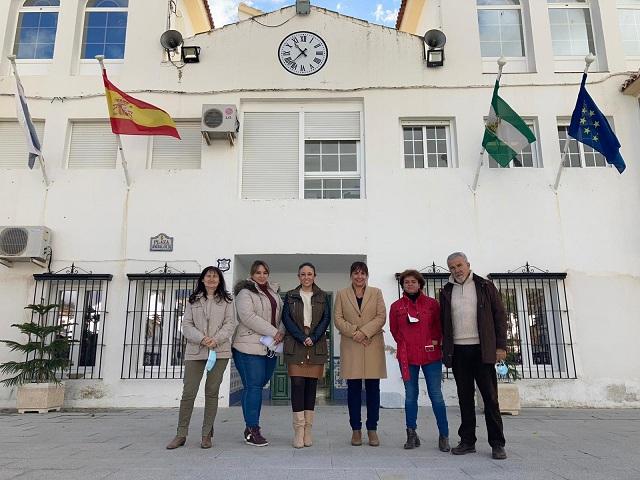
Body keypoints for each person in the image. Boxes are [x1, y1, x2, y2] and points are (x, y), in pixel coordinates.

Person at [440, 252, 508, 460]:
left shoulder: (484, 286)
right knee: (464, 399)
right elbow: (444, 322)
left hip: (482, 349)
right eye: (452, 267)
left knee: (490, 398)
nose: (456, 270)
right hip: (459, 351)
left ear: (468, 264)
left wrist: (500, 346)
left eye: (459, 265)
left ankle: (497, 444)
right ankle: (468, 441)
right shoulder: (446, 291)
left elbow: (500, 316)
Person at [166, 266, 236, 450]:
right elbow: (186, 325)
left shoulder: (227, 301)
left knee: (212, 392)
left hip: (218, 352)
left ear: (220, 280)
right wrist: (202, 338)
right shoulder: (193, 300)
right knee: (188, 392)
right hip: (195, 351)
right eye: (208, 276)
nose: (212, 279)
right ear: (203, 280)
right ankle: (181, 434)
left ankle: (206, 434)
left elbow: (230, 324)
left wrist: (216, 339)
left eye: (215, 276)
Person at [390, 269, 450, 452]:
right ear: (402, 285)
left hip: (431, 356)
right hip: (408, 357)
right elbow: (394, 330)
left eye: (413, 282)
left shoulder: (432, 304)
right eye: (406, 282)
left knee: (436, 395)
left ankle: (444, 434)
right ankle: (411, 433)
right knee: (410, 395)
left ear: (420, 284)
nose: (410, 284)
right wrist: (404, 344)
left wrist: (433, 340)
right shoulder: (396, 306)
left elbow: (439, 326)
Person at [334, 261, 387, 447]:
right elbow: (338, 319)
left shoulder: (377, 292)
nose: (359, 277)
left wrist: (364, 332)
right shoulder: (342, 294)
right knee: (353, 390)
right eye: (356, 273)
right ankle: (356, 430)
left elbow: (381, 316)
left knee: (373, 390)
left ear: (367, 276)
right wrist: (355, 332)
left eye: (362, 273)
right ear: (351, 275)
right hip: (351, 346)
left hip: (372, 344)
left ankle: (372, 429)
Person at [233, 260, 285, 447]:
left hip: (269, 347)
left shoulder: (273, 293)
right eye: (258, 272)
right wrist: (274, 332)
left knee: (257, 385)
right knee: (254, 386)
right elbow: (248, 317)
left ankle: (251, 425)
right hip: (248, 346)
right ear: (252, 274)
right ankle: (252, 429)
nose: (262, 275)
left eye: (265, 272)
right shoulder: (245, 293)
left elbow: (282, 316)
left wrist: (281, 332)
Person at [281, 262, 331, 448]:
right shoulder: (290, 296)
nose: (306, 277)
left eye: (310, 274)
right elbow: (286, 319)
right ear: (298, 276)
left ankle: (308, 430)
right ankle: (298, 430)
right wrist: (302, 337)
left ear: (314, 276)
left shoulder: (322, 296)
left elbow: (326, 318)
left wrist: (314, 337)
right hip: (296, 344)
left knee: (311, 387)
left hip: (316, 345)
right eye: (303, 274)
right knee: (297, 384)